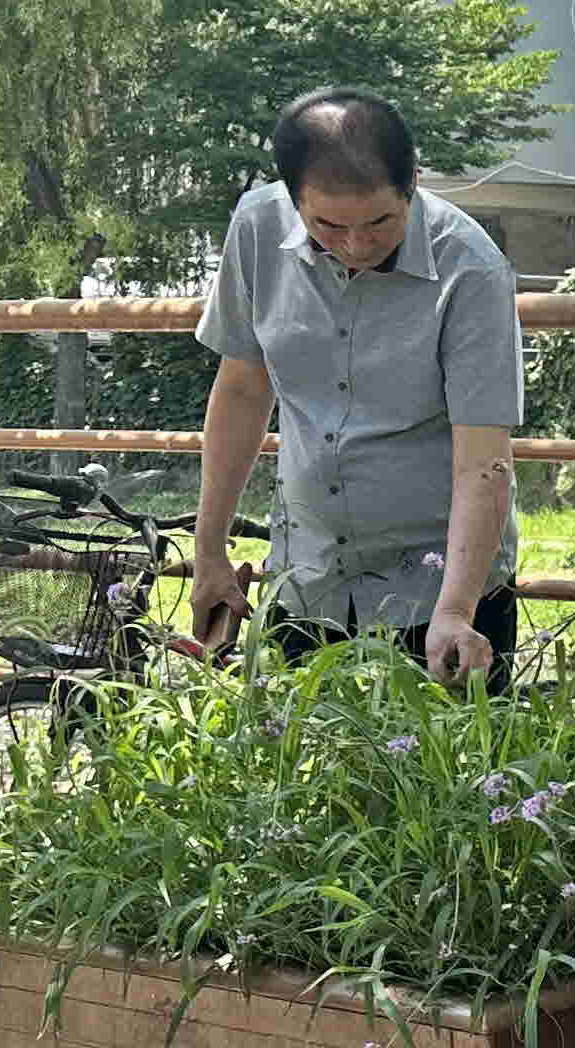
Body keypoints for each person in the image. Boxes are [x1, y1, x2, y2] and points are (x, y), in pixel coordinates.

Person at [188, 89, 523, 682]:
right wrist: (209, 551)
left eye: (379, 222)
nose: (357, 244)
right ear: (292, 201)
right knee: (302, 767)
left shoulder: (471, 268)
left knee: (447, 772)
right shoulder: (257, 229)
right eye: (328, 226)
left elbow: (484, 460)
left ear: (413, 183)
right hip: (307, 578)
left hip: (438, 587)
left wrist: (454, 610)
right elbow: (241, 389)